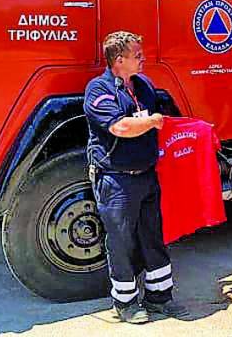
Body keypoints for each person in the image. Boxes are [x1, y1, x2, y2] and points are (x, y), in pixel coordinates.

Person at [84, 31, 188, 324]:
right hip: (116, 180)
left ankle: (159, 297)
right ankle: (125, 303)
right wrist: (151, 121)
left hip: (146, 176)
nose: (143, 59)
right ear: (119, 60)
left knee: (153, 237)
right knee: (121, 242)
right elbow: (119, 127)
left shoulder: (143, 85)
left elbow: (163, 116)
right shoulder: (98, 89)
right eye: (137, 55)